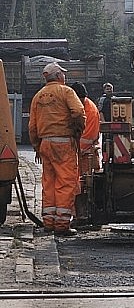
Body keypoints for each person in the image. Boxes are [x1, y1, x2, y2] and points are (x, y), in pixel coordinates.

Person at [28, 62, 85, 236]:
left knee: (49, 182)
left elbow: (32, 126)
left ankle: (49, 222)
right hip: (64, 143)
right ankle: (62, 225)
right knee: (65, 182)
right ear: (59, 76)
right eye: (63, 74)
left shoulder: (38, 96)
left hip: (45, 144)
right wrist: (77, 129)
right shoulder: (66, 92)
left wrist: (37, 146)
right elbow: (78, 111)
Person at [71, 82, 101, 177]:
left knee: (82, 179)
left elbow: (87, 138)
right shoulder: (79, 106)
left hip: (84, 154)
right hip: (81, 153)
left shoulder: (90, 111)